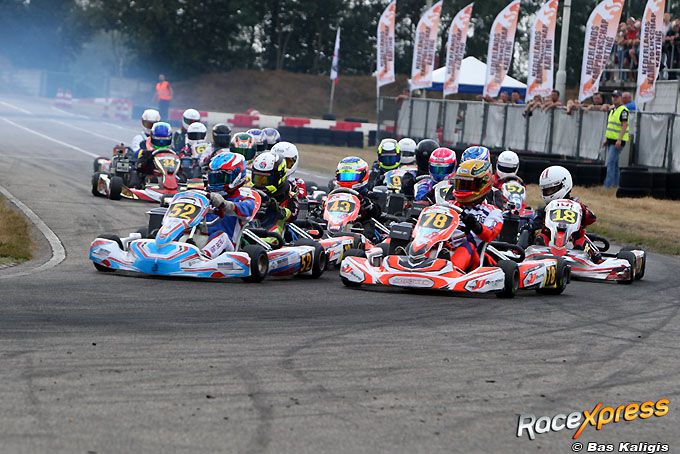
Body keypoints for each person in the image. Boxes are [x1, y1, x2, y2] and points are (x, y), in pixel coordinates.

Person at [529, 166, 601, 262]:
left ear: (564, 185)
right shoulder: (545, 210)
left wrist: (584, 212)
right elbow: (535, 224)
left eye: (551, 189)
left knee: (580, 236)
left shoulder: (577, 206)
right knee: (539, 235)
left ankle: (593, 256)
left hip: (573, 238)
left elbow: (591, 218)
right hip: (548, 242)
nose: (548, 193)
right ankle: (529, 252)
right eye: (546, 190)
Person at [448, 159, 504, 272]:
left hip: (473, 257)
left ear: (483, 185)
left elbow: (489, 235)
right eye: (460, 184)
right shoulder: (447, 206)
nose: (463, 189)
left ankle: (451, 271)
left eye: (469, 185)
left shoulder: (492, 212)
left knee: (467, 246)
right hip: (444, 247)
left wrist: (475, 225)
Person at [203, 152, 256, 257]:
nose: (216, 182)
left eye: (221, 178)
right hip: (201, 239)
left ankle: (203, 256)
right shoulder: (206, 196)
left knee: (221, 236)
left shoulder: (244, 198)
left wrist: (224, 204)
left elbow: (247, 211)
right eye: (214, 178)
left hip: (228, 249)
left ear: (237, 176)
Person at [251, 151, 299, 243]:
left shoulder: (288, 193)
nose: (260, 183)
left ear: (278, 176)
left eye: (264, 179)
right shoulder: (250, 191)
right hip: (250, 225)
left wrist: (278, 209)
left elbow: (293, 214)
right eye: (257, 178)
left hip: (274, 227)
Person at [335, 156, 383, 241]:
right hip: (335, 222)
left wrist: (368, 206)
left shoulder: (369, 195)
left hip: (359, 225)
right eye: (344, 176)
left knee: (368, 225)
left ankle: (364, 243)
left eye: (351, 176)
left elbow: (377, 212)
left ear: (363, 176)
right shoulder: (335, 194)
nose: (347, 180)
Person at [602, 90, 629, 188]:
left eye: (617, 97)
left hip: (617, 142)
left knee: (610, 162)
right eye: (613, 96)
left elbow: (624, 125)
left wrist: (619, 140)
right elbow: (610, 126)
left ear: (620, 98)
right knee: (615, 163)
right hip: (611, 141)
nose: (614, 98)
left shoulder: (623, 110)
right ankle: (616, 185)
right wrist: (606, 139)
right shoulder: (613, 109)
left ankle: (607, 185)